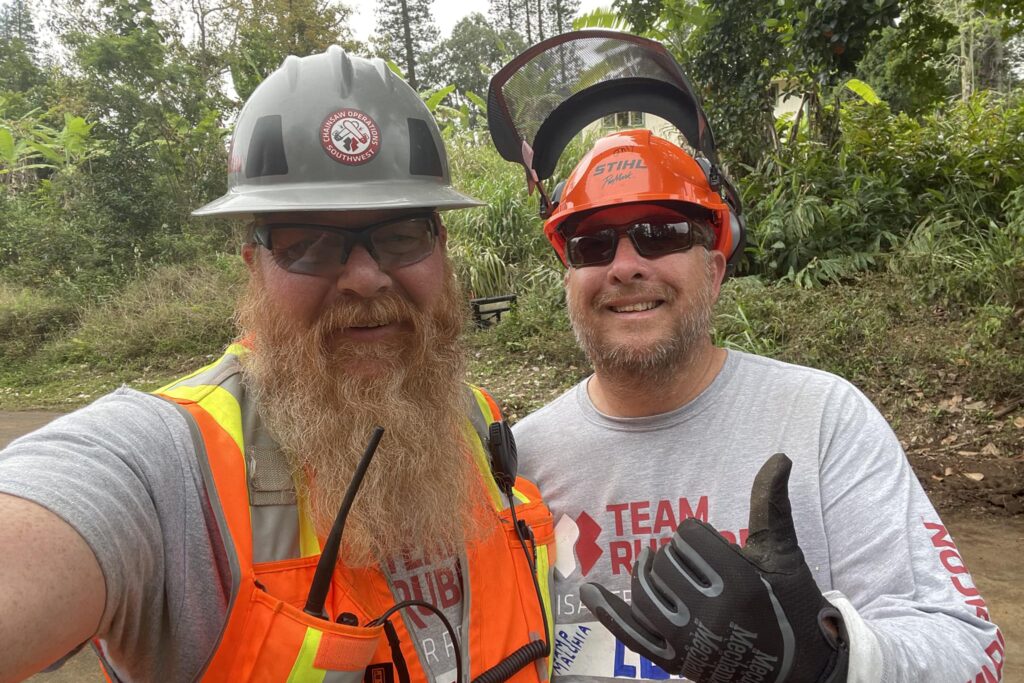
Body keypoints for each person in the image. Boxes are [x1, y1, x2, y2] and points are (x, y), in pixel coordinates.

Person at [0, 47, 555, 683]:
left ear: (441, 246)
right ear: (255, 269)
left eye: (402, 234)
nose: (367, 277)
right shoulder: (172, 468)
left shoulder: (475, 420)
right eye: (309, 245)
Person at [510, 128, 1005, 681]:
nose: (625, 265)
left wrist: (828, 661)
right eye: (593, 243)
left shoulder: (821, 418)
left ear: (715, 271)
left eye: (661, 233)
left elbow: (967, 646)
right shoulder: (519, 460)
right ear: (570, 279)